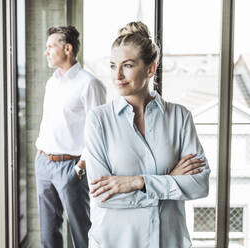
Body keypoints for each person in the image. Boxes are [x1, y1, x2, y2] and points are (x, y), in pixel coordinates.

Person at [84, 21, 210, 248]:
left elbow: (199, 184)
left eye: (128, 65)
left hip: (169, 241)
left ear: (150, 69)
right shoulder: (99, 120)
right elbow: (103, 195)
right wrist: (171, 181)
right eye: (113, 66)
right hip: (115, 241)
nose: (118, 75)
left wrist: (137, 182)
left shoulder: (180, 117)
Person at [35, 25, 106, 248]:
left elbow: (98, 132)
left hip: (72, 167)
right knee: (48, 236)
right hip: (45, 164)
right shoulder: (51, 82)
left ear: (67, 48)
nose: (46, 52)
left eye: (50, 47)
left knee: (81, 232)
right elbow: (48, 121)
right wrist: (40, 152)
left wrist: (81, 166)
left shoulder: (90, 84)